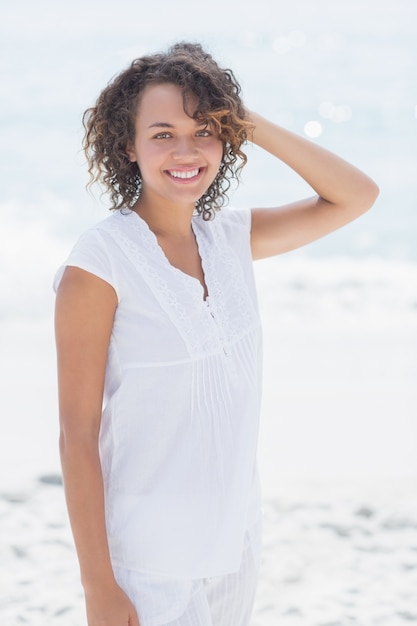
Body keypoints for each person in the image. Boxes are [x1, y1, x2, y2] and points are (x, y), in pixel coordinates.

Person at [54, 42, 378, 626]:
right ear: (127, 147)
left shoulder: (230, 239)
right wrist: (99, 585)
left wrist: (244, 119)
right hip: (148, 561)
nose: (186, 150)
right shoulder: (99, 263)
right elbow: (78, 434)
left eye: (205, 130)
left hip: (234, 545)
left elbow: (356, 195)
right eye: (161, 133)